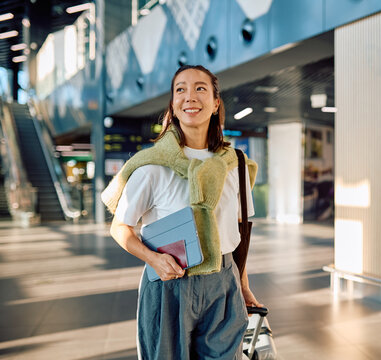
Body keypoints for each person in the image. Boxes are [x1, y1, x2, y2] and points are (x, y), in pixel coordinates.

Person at [101, 64, 261, 359]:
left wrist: (242, 284)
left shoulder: (234, 163)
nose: (190, 96)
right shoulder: (150, 166)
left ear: (215, 104)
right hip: (170, 282)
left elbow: (238, 231)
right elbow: (119, 227)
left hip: (223, 281)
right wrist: (154, 259)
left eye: (200, 88)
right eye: (181, 89)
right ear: (173, 106)